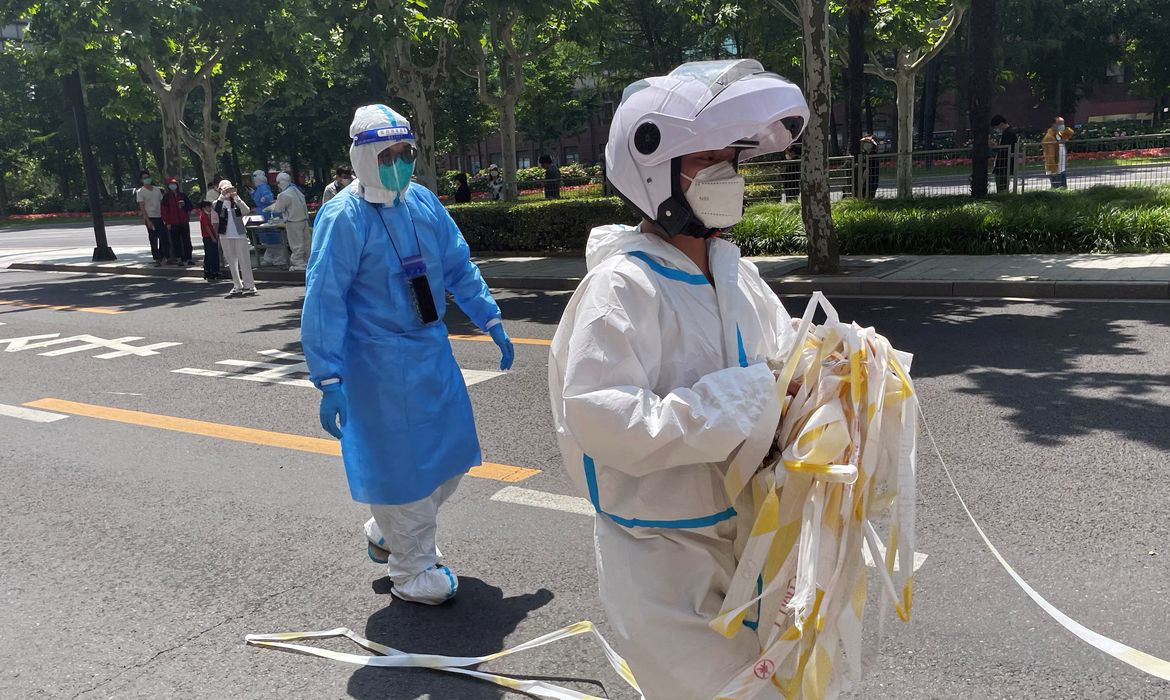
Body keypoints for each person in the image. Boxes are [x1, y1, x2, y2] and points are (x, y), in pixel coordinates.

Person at [548, 58, 808, 700]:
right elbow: (603, 415)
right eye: (709, 159)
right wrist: (745, 403)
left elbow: (782, 363)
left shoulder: (735, 274)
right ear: (652, 173)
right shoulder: (621, 286)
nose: (729, 175)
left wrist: (826, 380)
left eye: (734, 159)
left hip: (748, 537)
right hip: (661, 558)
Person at [301, 104, 515, 605]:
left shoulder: (422, 201)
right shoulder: (343, 217)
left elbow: (458, 263)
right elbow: (325, 296)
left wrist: (490, 317)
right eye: (387, 154)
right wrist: (328, 377)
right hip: (375, 364)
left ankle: (387, 529)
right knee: (404, 468)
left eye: (405, 153)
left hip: (430, 352)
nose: (398, 163)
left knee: (450, 457)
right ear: (362, 157)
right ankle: (411, 568)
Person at [214, 180, 258, 298]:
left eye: (229, 188)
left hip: (239, 234)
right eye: (225, 189)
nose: (228, 191)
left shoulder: (236, 202)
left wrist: (236, 197)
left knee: (245, 260)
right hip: (225, 235)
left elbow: (246, 210)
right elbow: (216, 210)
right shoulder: (218, 202)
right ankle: (237, 285)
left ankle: (250, 284)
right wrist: (222, 196)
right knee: (231, 262)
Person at [266, 171, 311, 271]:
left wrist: (269, 208)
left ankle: (298, 263)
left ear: (281, 182)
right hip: (303, 220)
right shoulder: (296, 191)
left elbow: (279, 208)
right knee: (306, 243)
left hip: (293, 222)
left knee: (296, 244)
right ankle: (307, 261)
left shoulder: (284, 194)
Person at [134, 170, 167, 266]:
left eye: (148, 177)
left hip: (160, 216)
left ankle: (163, 256)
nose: (147, 179)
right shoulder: (140, 192)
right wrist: (147, 220)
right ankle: (157, 259)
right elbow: (142, 207)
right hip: (150, 217)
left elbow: (161, 203)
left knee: (163, 237)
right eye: (144, 178)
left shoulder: (157, 189)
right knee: (153, 239)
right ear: (141, 180)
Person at [161, 176, 195, 266]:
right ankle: (179, 259)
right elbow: (164, 211)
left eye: (174, 184)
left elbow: (190, 207)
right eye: (171, 184)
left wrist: (184, 206)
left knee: (187, 240)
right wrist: (167, 222)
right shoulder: (166, 197)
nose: (173, 186)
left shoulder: (183, 195)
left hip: (183, 221)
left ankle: (189, 258)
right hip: (173, 223)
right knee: (176, 241)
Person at [1042, 116, 1075, 189]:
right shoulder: (1049, 137)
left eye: (1063, 123)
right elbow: (1049, 155)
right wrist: (1053, 168)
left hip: (1062, 167)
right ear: (1053, 124)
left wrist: (1064, 128)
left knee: (1063, 189)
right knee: (1056, 189)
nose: (1062, 125)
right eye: (1060, 123)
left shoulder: (1059, 134)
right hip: (1055, 169)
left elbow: (1070, 133)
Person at [991, 115, 1018, 194]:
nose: (997, 129)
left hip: (1004, 164)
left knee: (1002, 187)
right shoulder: (1010, 132)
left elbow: (1005, 149)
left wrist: (995, 146)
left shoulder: (1008, 133)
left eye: (996, 127)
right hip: (1005, 164)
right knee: (1003, 185)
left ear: (1001, 123)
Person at [197, 200, 221, 281]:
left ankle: (210, 271)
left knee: (211, 254)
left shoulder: (208, 214)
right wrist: (213, 237)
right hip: (208, 237)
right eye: (208, 206)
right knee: (211, 255)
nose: (210, 208)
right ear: (204, 207)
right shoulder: (203, 215)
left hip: (210, 236)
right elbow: (207, 227)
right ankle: (212, 271)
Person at [860, 134, 880, 198]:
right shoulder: (872, 155)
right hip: (873, 182)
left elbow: (867, 170)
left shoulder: (871, 156)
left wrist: (862, 181)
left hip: (869, 182)